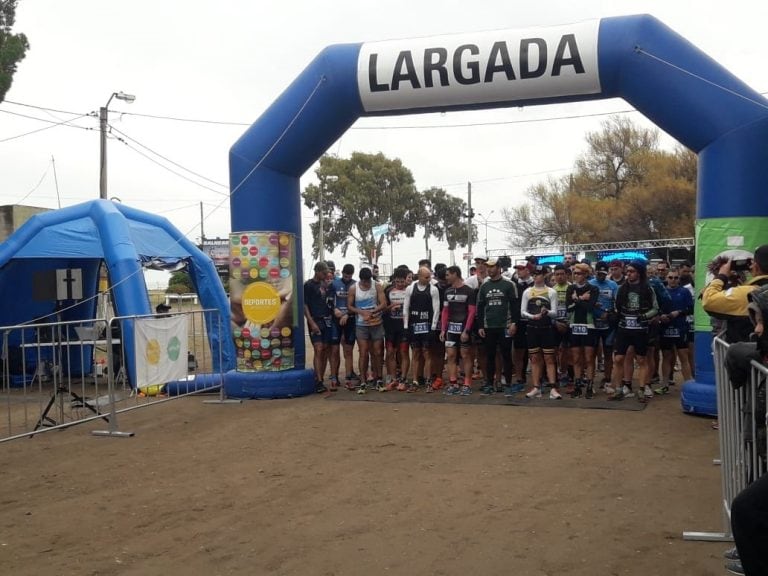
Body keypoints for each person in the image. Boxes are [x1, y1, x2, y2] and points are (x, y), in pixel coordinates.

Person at [609, 259, 659, 401]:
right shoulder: (622, 288)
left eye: (632, 272)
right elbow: (616, 307)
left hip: (640, 329)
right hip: (624, 328)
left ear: (639, 273)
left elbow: (655, 308)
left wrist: (644, 316)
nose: (629, 274)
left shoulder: (648, 288)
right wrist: (615, 316)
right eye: (628, 271)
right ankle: (619, 388)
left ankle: (642, 389)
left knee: (642, 359)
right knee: (618, 358)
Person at [702, 245, 768, 343]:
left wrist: (722, 276)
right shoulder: (748, 289)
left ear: (757, 267)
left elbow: (709, 301)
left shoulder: (748, 292)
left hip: (751, 354)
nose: (750, 266)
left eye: (753, 263)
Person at [476, 257, 519, 395]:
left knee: (506, 355)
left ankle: (507, 384)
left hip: (505, 326)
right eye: (487, 266)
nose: (489, 269)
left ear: (499, 268)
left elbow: (515, 306)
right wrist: (481, 326)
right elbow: (480, 307)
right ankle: (489, 383)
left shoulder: (509, 284)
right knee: (490, 355)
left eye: (492, 266)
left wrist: (514, 323)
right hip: (489, 326)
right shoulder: (484, 285)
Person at [521, 265, 561, 399]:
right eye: (534, 274)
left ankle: (553, 388)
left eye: (538, 274)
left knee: (549, 358)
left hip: (546, 328)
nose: (536, 276)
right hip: (532, 328)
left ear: (544, 275)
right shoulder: (527, 291)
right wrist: (533, 316)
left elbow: (555, 313)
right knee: (534, 358)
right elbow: (523, 311)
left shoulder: (551, 292)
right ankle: (536, 387)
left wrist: (547, 312)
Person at [347, 267, 387, 393]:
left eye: (368, 281)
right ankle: (363, 380)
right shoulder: (354, 288)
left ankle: (379, 378)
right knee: (363, 352)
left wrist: (373, 311)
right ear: (360, 280)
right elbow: (349, 306)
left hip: (376, 323)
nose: (366, 284)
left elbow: (383, 303)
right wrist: (361, 312)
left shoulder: (377, 286)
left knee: (378, 352)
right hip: (361, 325)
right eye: (364, 282)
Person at [656, 267, 694, 394]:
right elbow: (656, 308)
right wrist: (661, 315)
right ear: (666, 278)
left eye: (676, 278)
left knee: (683, 355)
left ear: (679, 279)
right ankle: (665, 384)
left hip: (680, 327)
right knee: (666, 356)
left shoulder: (684, 292)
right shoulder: (661, 292)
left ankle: (688, 385)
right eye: (670, 277)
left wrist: (678, 312)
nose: (673, 280)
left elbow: (691, 308)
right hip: (665, 327)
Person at [439, 265, 476, 396]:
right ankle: (453, 382)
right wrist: (443, 329)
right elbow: (445, 311)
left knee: (465, 355)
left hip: (463, 328)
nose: (446, 277)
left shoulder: (469, 291)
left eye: (448, 274)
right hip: (450, 329)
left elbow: (472, 312)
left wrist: (466, 330)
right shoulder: (447, 291)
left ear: (455, 274)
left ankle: (467, 383)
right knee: (450, 355)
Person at [402, 266, 440, 392]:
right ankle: (415, 380)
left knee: (427, 353)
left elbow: (436, 310)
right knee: (416, 353)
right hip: (414, 325)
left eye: (430, 276)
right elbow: (405, 308)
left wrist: (433, 328)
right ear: (419, 276)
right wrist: (406, 326)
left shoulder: (433, 289)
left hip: (427, 325)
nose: (429, 279)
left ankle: (429, 380)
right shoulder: (410, 288)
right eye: (426, 277)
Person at [565, 263, 599, 398]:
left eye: (579, 273)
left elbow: (590, 308)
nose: (576, 275)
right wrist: (582, 299)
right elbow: (568, 308)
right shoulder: (571, 288)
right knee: (576, 357)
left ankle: (590, 386)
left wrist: (576, 300)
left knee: (589, 358)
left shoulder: (593, 288)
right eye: (575, 273)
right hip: (574, 325)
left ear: (585, 274)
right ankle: (577, 385)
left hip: (589, 325)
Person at [303, 261, 333, 393]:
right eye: (324, 272)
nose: (326, 274)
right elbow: (305, 305)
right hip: (315, 320)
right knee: (318, 348)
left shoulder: (325, 285)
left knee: (326, 349)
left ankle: (320, 377)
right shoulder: (308, 285)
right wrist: (311, 322)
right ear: (317, 272)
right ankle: (319, 380)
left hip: (326, 320)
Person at [589, 261, 619, 390]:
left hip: (608, 324)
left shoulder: (613, 285)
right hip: (593, 323)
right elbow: (586, 304)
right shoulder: (590, 284)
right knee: (592, 353)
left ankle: (607, 379)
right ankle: (591, 380)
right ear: (595, 272)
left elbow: (617, 303)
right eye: (599, 273)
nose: (601, 275)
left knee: (608, 352)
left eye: (604, 273)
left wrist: (610, 313)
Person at [331, 264, 358, 390]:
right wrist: (334, 309)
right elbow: (330, 300)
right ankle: (334, 378)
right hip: (336, 320)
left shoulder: (355, 285)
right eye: (345, 275)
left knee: (348, 350)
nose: (347, 278)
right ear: (342, 272)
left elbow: (357, 304)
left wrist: (348, 314)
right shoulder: (335, 283)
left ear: (353, 274)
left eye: (350, 275)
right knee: (335, 350)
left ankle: (348, 378)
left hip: (350, 320)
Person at [383, 267, 410, 390]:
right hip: (391, 326)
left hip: (404, 326)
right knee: (390, 353)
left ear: (406, 280)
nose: (399, 284)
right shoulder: (388, 290)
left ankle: (403, 379)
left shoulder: (410, 291)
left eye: (402, 282)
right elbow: (383, 308)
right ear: (394, 280)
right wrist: (390, 307)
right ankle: (393, 378)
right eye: (397, 281)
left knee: (403, 352)